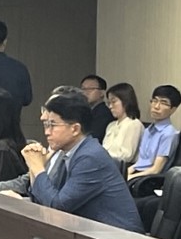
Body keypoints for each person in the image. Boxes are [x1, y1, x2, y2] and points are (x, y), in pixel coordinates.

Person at [21, 95, 144, 232]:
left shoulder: (89, 158)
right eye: (46, 125)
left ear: (75, 129)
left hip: (119, 238)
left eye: (52, 125)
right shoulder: (68, 153)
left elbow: (58, 207)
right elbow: (46, 198)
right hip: (90, 232)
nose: (46, 132)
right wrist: (35, 167)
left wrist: (37, 167)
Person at [127, 85, 180, 180]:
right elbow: (140, 163)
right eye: (155, 101)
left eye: (163, 103)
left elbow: (156, 170)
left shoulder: (169, 133)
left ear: (173, 109)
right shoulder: (147, 130)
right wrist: (123, 174)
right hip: (138, 174)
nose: (156, 106)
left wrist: (130, 177)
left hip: (149, 180)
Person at [102, 83, 144, 166]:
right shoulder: (111, 125)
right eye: (109, 103)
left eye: (114, 102)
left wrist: (103, 157)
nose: (110, 106)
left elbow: (127, 156)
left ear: (126, 101)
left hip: (121, 168)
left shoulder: (134, 124)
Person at [80, 75, 114, 142]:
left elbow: (94, 137)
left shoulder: (104, 114)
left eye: (90, 89)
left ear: (102, 93)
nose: (85, 92)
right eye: (83, 89)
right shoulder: (83, 112)